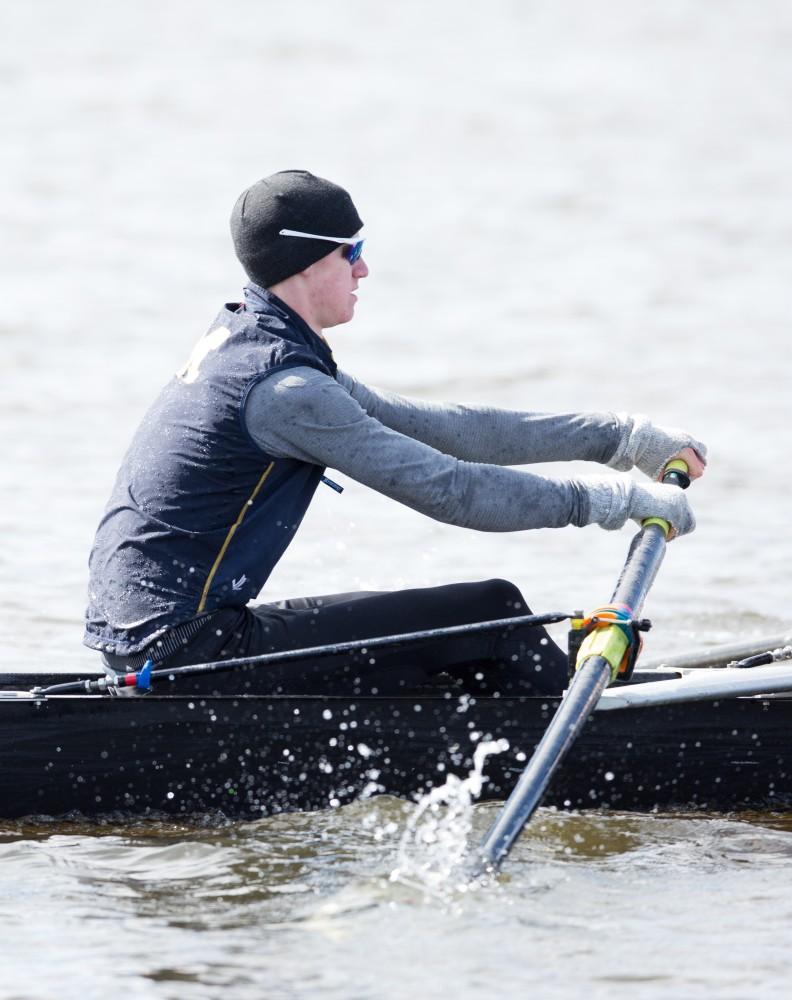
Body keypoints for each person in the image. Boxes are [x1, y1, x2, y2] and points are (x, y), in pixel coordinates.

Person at [84, 170, 706, 697]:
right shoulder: (285, 392)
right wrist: (619, 504)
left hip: (151, 643)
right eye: (350, 253)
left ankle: (522, 720)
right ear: (306, 262)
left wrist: (622, 440)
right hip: (186, 652)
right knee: (492, 612)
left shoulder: (256, 344)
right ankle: (598, 746)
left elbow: (447, 432)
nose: (365, 269)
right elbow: (450, 490)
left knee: (453, 649)